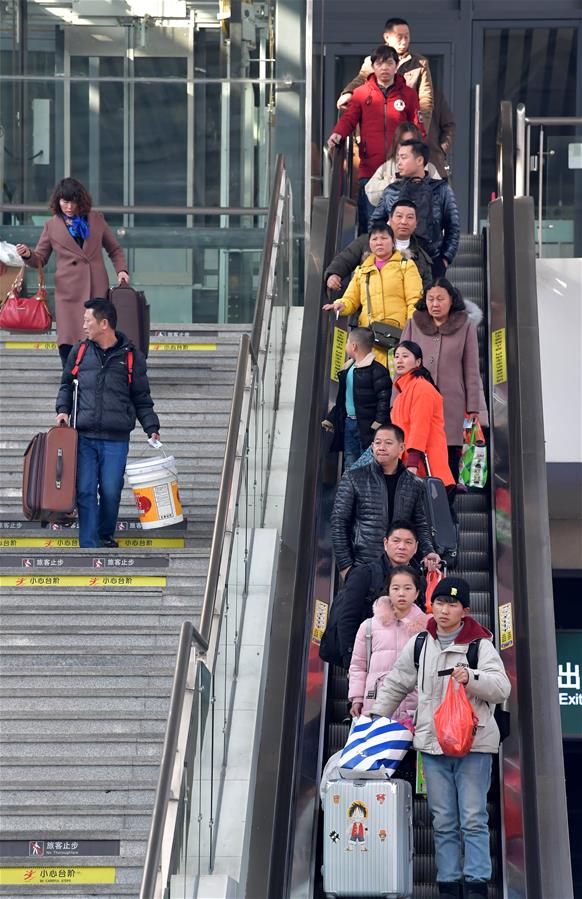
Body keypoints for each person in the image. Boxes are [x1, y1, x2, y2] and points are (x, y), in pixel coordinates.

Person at [371, 576, 511, 899]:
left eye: (452, 604)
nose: (445, 610)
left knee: (473, 817)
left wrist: (472, 677)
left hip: (473, 746)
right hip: (432, 746)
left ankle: (476, 886)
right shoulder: (421, 643)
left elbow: (502, 687)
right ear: (431, 605)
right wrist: (376, 719)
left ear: (465, 610)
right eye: (440, 603)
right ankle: (448, 885)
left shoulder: (480, 645)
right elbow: (396, 681)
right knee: (442, 819)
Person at [55, 298, 159, 549]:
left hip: (116, 438)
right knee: (86, 491)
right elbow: (66, 384)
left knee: (111, 492)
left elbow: (141, 396)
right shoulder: (79, 352)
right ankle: (89, 545)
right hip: (85, 437)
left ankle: (104, 534)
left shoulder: (132, 356)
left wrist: (151, 427)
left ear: (104, 323)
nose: (83, 325)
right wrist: (62, 410)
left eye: (87, 320)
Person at [16, 178, 129, 367]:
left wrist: (122, 270)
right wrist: (28, 255)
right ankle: (70, 382)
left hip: (96, 291)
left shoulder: (96, 219)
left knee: (98, 340)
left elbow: (114, 249)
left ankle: (97, 382)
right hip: (68, 294)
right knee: (68, 343)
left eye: (73, 201)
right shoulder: (51, 226)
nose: (68, 206)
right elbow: (40, 258)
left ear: (81, 201)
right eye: (64, 201)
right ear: (58, 201)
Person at [327, 46, 425, 234]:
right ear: (373, 67)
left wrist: (419, 161)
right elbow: (349, 119)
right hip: (370, 171)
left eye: (389, 63)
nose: (384, 68)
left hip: (400, 172)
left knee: (400, 224)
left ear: (397, 66)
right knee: (372, 225)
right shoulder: (362, 94)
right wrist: (337, 133)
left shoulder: (409, 95)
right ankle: (371, 262)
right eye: (379, 63)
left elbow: (418, 129)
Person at [401, 279, 488, 480]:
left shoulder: (465, 326)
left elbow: (472, 368)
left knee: (448, 464)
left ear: (452, 301)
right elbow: (402, 365)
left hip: (452, 406)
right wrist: (396, 401)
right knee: (417, 457)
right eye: (430, 299)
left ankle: (444, 508)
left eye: (440, 299)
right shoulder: (414, 323)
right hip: (417, 403)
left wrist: (473, 407)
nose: (435, 304)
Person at [322, 519, 436, 670]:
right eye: (396, 541)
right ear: (385, 543)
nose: (402, 546)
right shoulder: (364, 574)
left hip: (405, 664)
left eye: (408, 542)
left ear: (416, 547)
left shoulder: (420, 581)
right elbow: (347, 619)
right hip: (369, 658)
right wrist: (352, 664)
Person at [331, 423, 438, 581]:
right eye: (377, 442)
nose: (381, 447)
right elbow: (338, 522)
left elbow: (420, 524)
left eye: (388, 443)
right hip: (363, 566)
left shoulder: (415, 484)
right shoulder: (354, 477)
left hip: (401, 571)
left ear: (401, 448)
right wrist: (346, 566)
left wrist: (428, 551)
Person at [322, 223, 422, 369]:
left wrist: (410, 330)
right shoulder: (362, 270)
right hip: (370, 340)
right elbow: (351, 299)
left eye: (384, 238)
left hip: (397, 338)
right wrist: (341, 305)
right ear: (369, 243)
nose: (379, 242)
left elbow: (415, 300)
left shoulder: (406, 266)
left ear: (393, 242)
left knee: (394, 383)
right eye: (374, 239)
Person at [370, 139, 460, 278]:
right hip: (395, 261)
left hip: (432, 261)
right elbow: (375, 224)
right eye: (398, 158)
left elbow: (453, 227)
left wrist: (444, 259)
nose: (398, 162)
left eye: (404, 157)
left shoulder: (441, 189)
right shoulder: (391, 190)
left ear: (419, 160)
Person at [349, 566, 427, 719]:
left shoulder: (426, 630)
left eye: (408, 588)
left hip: (414, 709)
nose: (401, 593)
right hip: (375, 705)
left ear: (417, 593)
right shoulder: (369, 626)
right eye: (396, 588)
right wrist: (357, 698)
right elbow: (358, 666)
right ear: (388, 591)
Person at [337, 17, 433, 131]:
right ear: (387, 37)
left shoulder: (419, 63)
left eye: (407, 36)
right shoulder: (372, 60)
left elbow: (426, 99)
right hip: (373, 123)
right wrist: (348, 93)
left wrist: (420, 131)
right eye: (399, 37)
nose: (404, 41)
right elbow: (361, 79)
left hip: (403, 125)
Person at [324, 200, 433, 296]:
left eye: (410, 217)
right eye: (399, 216)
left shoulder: (421, 257)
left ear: (416, 223)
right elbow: (345, 259)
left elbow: (424, 294)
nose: (404, 222)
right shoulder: (367, 241)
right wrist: (334, 274)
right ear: (390, 219)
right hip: (366, 315)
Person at [321, 327, 391, 469]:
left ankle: (364, 490)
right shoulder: (347, 369)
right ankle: (350, 490)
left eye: (347, 342)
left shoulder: (377, 370)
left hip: (368, 426)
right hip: (349, 423)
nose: (346, 345)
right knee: (350, 461)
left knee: (368, 463)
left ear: (354, 346)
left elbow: (384, 399)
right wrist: (332, 419)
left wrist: (378, 424)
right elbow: (342, 399)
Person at [391, 340, 455, 489]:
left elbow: (420, 427)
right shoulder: (403, 393)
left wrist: (412, 462)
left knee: (435, 510)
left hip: (425, 466)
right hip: (413, 465)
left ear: (418, 361)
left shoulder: (421, 388)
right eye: (396, 356)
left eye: (405, 356)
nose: (399, 360)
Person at [365, 122, 440, 208]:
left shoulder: (429, 167)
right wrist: (392, 183)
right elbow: (370, 192)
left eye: (411, 142)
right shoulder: (387, 167)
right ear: (396, 143)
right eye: (403, 142)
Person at [428, 87, 456, 180]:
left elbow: (449, 125)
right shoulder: (401, 95)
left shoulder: (435, 96)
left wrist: (441, 151)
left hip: (433, 164)